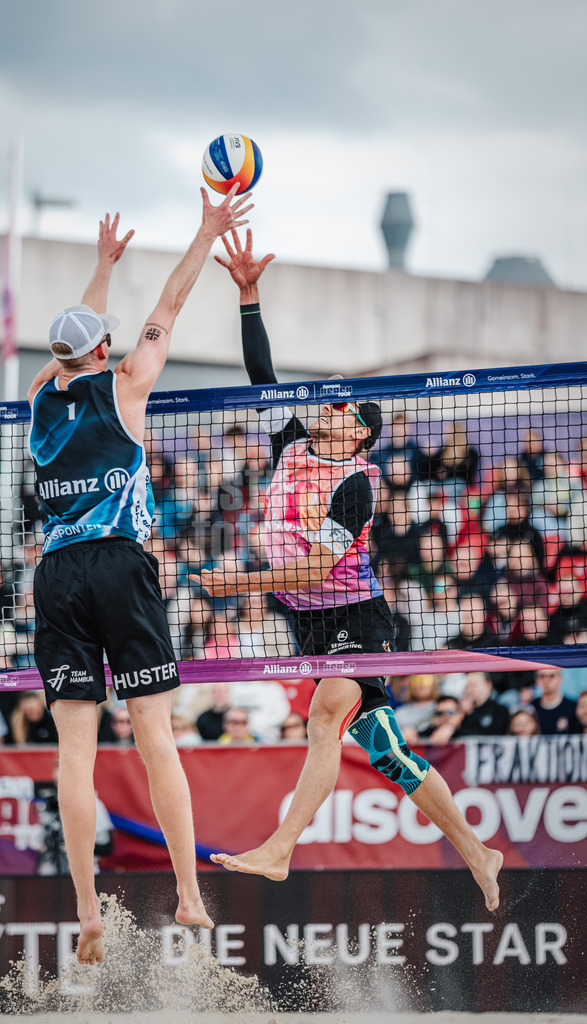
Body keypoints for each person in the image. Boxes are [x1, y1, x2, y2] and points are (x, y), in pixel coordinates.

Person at [192, 228, 503, 912]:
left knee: (327, 711)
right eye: (329, 404)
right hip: (309, 621)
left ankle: (280, 848)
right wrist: (249, 298)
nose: (329, 407)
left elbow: (313, 571)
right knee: (388, 752)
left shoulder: (357, 484)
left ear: (360, 431)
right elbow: (261, 375)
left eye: (344, 409)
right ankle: (479, 853)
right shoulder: (291, 446)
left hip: (355, 614)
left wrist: (231, 585)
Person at [27, 188, 252, 964]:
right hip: (121, 566)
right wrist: (205, 229)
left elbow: (68, 349)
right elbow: (172, 301)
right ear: (101, 352)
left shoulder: (36, 405)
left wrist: (98, 270)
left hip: (54, 575)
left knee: (73, 757)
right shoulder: (127, 383)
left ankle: (88, 910)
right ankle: (189, 896)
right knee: (155, 735)